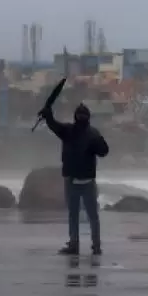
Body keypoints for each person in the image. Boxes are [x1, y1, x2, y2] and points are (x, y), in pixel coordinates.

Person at [39, 103, 110, 256]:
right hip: (84, 181)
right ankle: (94, 245)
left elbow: (53, 125)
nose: (81, 118)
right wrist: (48, 115)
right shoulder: (90, 133)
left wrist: (47, 114)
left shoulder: (69, 131)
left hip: (74, 180)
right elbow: (104, 151)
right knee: (91, 215)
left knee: (75, 215)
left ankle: (76, 244)